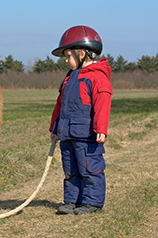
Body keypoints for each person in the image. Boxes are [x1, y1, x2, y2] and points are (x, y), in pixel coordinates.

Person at [49, 25, 112, 215]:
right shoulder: (70, 79)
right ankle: (72, 201)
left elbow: (103, 103)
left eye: (69, 56)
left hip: (86, 135)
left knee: (89, 169)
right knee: (70, 169)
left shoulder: (97, 78)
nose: (67, 60)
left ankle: (92, 203)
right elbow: (60, 104)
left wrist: (101, 128)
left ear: (82, 53)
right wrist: (55, 127)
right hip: (67, 133)